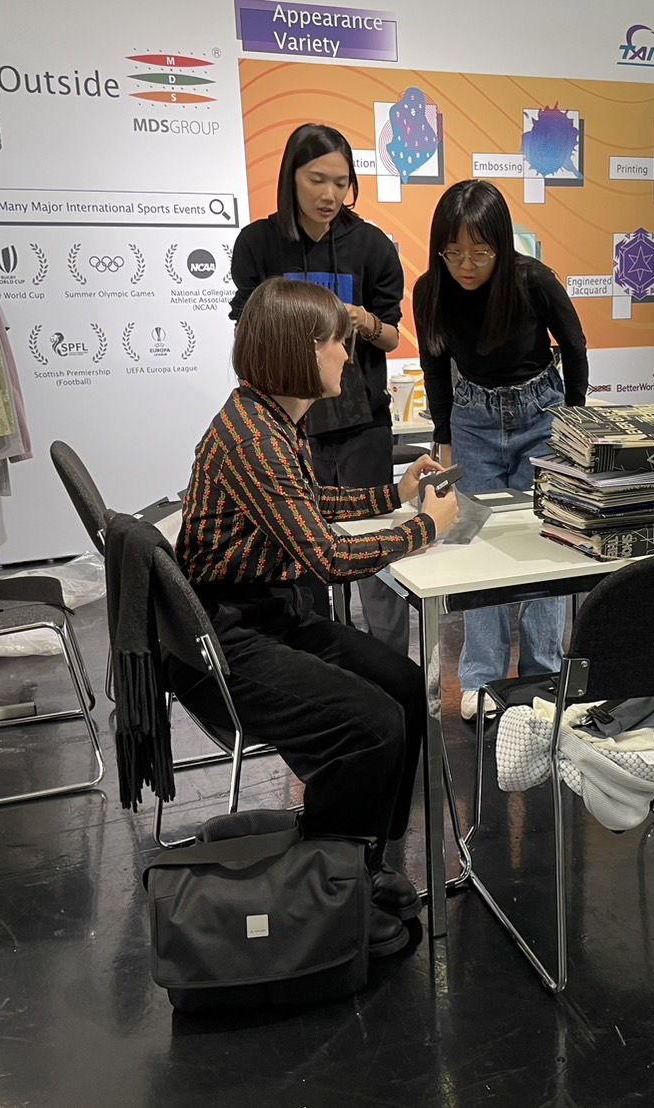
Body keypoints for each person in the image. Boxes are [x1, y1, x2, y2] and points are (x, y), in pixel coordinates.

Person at [177, 277, 460, 954]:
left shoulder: (268, 418)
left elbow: (302, 507)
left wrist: (394, 495)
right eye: (338, 342)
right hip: (226, 639)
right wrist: (424, 527)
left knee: (402, 688)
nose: (347, 355)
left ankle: (360, 863)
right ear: (304, 349)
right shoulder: (255, 436)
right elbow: (326, 557)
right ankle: (328, 892)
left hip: (264, 615)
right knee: (372, 722)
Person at [229, 123, 412, 656]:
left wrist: (363, 321)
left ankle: (388, 665)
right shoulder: (258, 244)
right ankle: (320, 665)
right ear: (292, 177)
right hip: (291, 427)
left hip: (362, 422)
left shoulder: (371, 245)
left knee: (375, 560)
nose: (330, 194)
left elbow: (392, 334)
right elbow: (247, 330)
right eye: (317, 180)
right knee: (302, 560)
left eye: (341, 182)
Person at [413, 180, 589, 721]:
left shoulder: (533, 280)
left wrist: (574, 424)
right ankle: (482, 679)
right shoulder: (430, 290)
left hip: (542, 415)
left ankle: (543, 674)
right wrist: (444, 437)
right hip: (473, 419)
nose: (466, 266)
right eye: (454, 253)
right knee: (476, 545)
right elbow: (434, 365)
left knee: (547, 542)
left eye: (480, 253)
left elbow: (575, 346)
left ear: (502, 245)